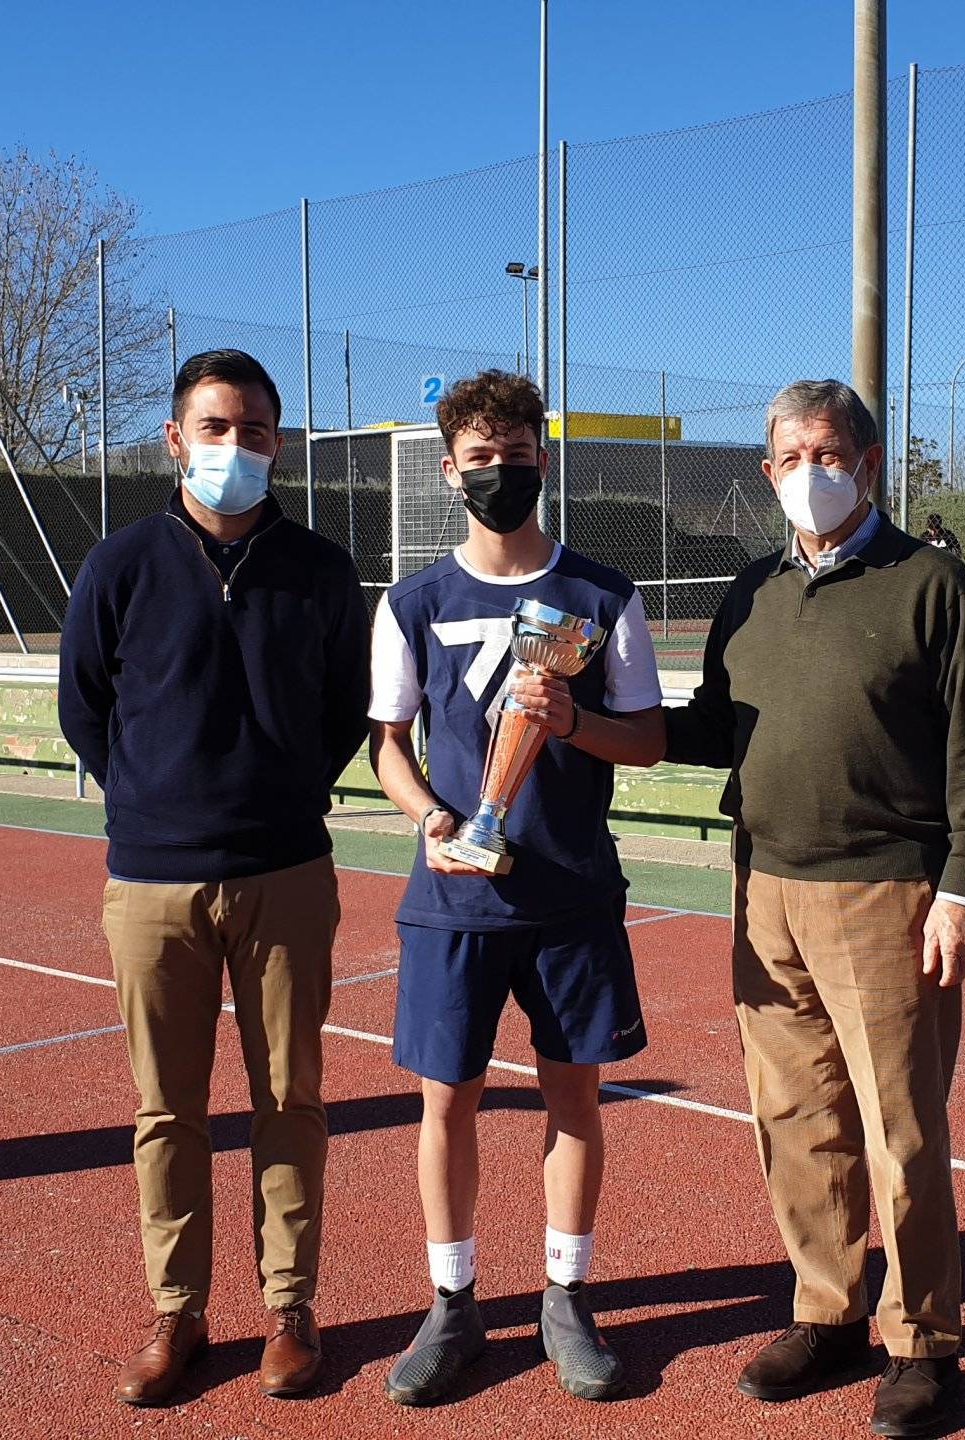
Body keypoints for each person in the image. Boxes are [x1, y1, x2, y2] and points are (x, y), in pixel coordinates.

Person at [660, 379, 965, 1439]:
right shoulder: (751, 590)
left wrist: (961, 891)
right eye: (788, 456)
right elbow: (712, 727)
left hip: (887, 895)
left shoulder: (931, 583)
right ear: (766, 472)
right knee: (795, 1121)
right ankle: (828, 1312)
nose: (808, 472)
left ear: (865, 462)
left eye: (828, 452)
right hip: (763, 886)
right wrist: (583, 715)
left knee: (900, 1130)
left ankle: (923, 1344)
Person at [58, 348, 369, 1408]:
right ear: (174, 440)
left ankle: (290, 1307)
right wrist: (146, 798)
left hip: (286, 872)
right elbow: (83, 703)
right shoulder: (122, 563)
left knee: (290, 1097)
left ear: (278, 443)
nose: (234, 448)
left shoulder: (323, 572)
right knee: (166, 1109)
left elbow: (343, 712)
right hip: (151, 883)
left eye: (255, 431)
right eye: (215, 427)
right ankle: (177, 1310)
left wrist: (279, 792)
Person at [367, 368, 667, 1407]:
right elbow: (387, 748)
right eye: (479, 458)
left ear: (545, 458)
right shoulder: (412, 601)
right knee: (444, 1104)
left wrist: (576, 722)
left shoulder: (600, 595)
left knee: (574, 1098)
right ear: (449, 470)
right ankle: (452, 1305)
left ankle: (564, 1298)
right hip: (453, 898)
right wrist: (433, 820)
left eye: (517, 453)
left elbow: (650, 741)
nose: (500, 473)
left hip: (572, 896)